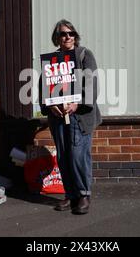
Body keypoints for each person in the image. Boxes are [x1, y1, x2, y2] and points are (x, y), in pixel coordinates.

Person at [39, 19, 102, 215]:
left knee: (77, 155)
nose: (67, 37)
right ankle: (71, 194)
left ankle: (83, 194)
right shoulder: (52, 59)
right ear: (56, 38)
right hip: (58, 116)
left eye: (71, 33)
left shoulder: (84, 55)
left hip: (79, 116)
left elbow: (92, 84)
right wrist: (50, 106)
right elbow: (43, 88)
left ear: (75, 36)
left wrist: (78, 103)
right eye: (63, 34)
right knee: (64, 156)